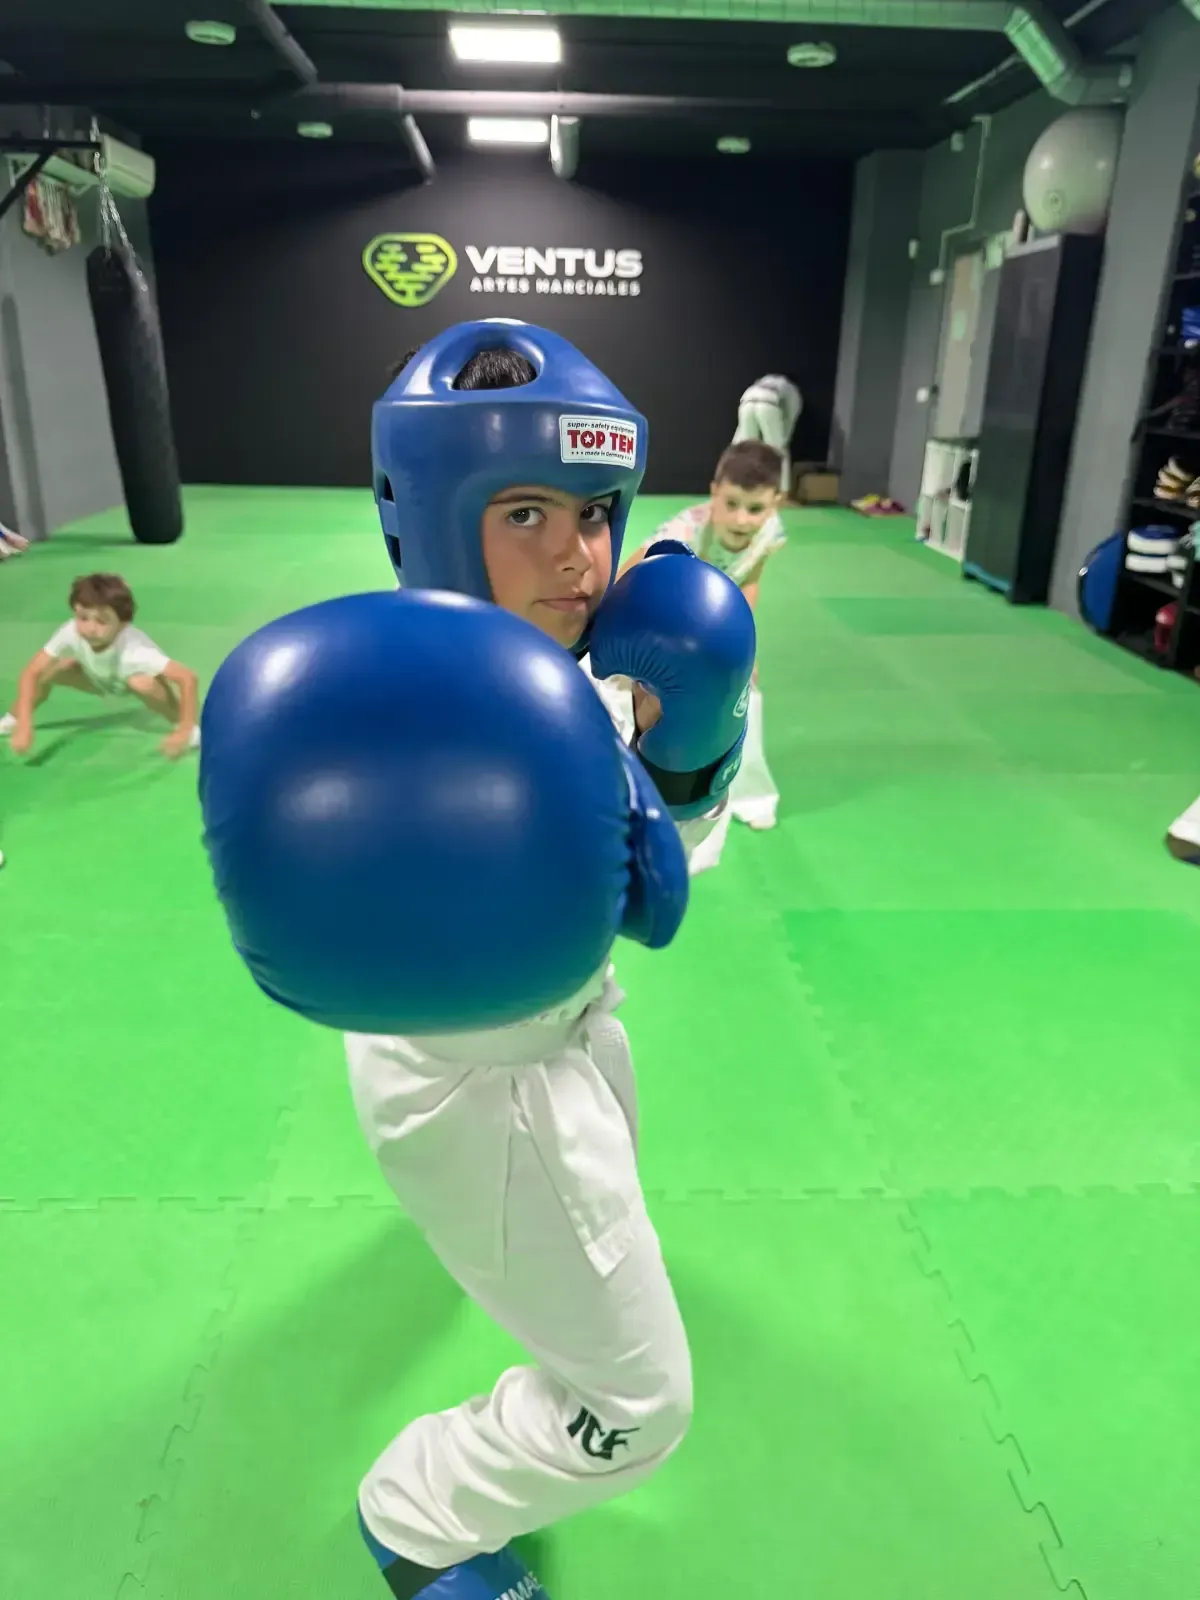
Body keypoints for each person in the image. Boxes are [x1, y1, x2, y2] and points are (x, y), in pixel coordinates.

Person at [199, 321, 756, 1600]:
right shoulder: (385, 722)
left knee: (595, 1268)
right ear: (438, 517)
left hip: (569, 1039)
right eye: (526, 513)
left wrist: (687, 742)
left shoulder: (583, 681)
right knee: (640, 1403)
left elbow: (663, 878)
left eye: (595, 511)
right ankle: (417, 1517)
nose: (579, 555)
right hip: (478, 1093)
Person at [620, 437, 785, 872]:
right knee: (634, 716)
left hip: (709, 636)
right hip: (654, 637)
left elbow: (749, 580)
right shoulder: (684, 533)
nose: (741, 519)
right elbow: (626, 580)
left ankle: (751, 794)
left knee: (747, 698)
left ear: (775, 504)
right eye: (731, 504)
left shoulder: (771, 532)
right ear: (714, 492)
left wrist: (743, 648)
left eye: (755, 508)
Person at [0, 572, 200, 759]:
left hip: (130, 679)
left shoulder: (136, 649)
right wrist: (25, 723)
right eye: (83, 618)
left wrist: (184, 729)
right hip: (96, 678)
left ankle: (187, 728)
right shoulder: (70, 631)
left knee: (142, 683)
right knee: (51, 670)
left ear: (122, 624)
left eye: (102, 621)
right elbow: (31, 671)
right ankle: (12, 719)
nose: (90, 629)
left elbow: (187, 677)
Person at [732, 372, 801, 494]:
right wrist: (782, 441)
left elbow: (741, 433)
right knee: (779, 453)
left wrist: (737, 444)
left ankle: (741, 488)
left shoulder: (763, 381)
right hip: (768, 403)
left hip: (746, 402)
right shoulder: (793, 391)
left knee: (747, 451)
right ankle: (783, 492)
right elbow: (790, 417)